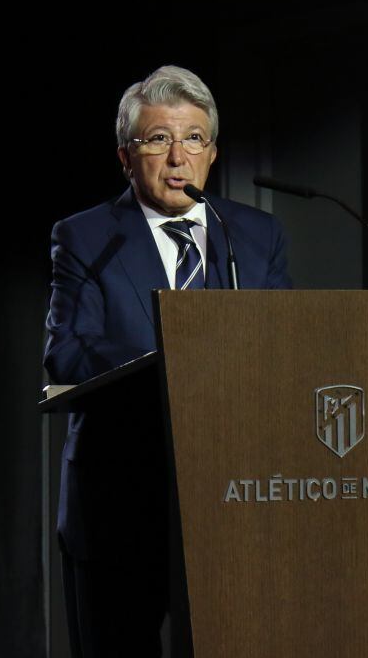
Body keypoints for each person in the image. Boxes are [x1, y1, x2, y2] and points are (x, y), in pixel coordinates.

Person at [43, 65, 291, 657]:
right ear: (127, 157)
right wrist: (179, 355)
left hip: (237, 496)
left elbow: (286, 346)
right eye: (158, 139)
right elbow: (66, 352)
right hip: (119, 497)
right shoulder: (86, 236)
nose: (177, 156)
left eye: (193, 139)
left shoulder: (256, 235)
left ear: (212, 152)